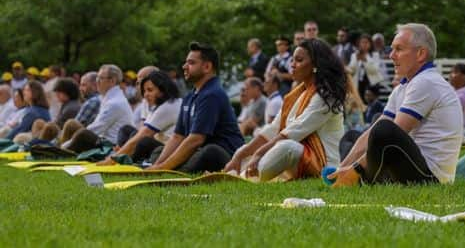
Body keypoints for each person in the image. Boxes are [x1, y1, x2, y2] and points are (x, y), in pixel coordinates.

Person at [330, 23, 462, 186]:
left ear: (421, 54)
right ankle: (350, 177)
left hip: (430, 178)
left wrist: (355, 169)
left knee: (384, 129)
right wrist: (342, 168)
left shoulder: (426, 82)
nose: (391, 55)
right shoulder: (404, 87)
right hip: (408, 165)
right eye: (392, 49)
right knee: (353, 137)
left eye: (398, 49)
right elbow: (374, 131)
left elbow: (392, 132)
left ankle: (359, 178)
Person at [224, 38, 346, 181]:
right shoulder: (298, 94)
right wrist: (240, 155)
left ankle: (242, 177)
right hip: (297, 158)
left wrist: (258, 154)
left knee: (287, 147)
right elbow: (273, 129)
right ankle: (234, 173)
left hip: (322, 163)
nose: (292, 65)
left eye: (299, 60)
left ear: (315, 65)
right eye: (292, 60)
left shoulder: (327, 96)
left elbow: (294, 131)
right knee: (244, 150)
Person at [146, 42, 244, 173]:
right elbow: (177, 137)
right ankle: (169, 168)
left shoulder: (212, 94)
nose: (184, 66)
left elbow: (196, 139)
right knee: (159, 151)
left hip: (225, 156)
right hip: (199, 151)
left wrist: (162, 168)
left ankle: (175, 171)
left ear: (207, 67)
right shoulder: (190, 96)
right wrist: (158, 165)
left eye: (191, 63)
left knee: (210, 152)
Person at [98, 70, 181, 165]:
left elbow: (144, 134)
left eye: (150, 90)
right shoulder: (161, 104)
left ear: (163, 90)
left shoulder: (168, 106)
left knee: (142, 140)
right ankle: (121, 155)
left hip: (167, 149)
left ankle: (121, 159)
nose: (145, 95)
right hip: (158, 142)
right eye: (144, 91)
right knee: (128, 130)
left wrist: (113, 159)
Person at [63, 65, 134, 153]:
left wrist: (66, 145)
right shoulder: (111, 98)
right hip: (107, 142)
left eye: (100, 78)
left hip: (111, 147)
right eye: (97, 78)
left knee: (83, 133)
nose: (97, 82)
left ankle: (62, 151)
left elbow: (95, 129)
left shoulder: (114, 103)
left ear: (112, 81)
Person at [346, 33, 387, 102]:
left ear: (370, 44)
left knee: (371, 103)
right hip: (359, 84)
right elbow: (351, 69)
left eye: (366, 42)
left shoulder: (374, 55)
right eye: (362, 42)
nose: (364, 44)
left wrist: (365, 60)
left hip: (372, 84)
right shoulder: (354, 55)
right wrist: (356, 60)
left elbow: (375, 70)